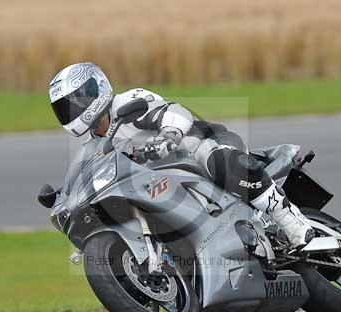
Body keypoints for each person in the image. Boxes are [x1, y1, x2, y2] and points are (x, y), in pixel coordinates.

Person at [48, 62, 314, 249]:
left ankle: (293, 224)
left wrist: (168, 136)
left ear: (95, 90)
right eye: (64, 109)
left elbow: (176, 112)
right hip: (164, 182)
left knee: (219, 162)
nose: (71, 113)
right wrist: (68, 197)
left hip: (199, 145)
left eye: (74, 103)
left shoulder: (129, 103)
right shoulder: (95, 145)